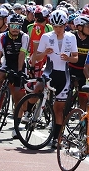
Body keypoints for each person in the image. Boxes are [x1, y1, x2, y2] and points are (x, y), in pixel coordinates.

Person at [31, 9, 78, 149]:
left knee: (58, 109)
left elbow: (75, 58)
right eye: (55, 27)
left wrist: (68, 58)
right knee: (37, 87)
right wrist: (45, 52)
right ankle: (28, 111)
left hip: (64, 75)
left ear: (65, 25)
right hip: (49, 71)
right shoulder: (46, 36)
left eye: (60, 27)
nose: (58, 29)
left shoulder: (71, 37)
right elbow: (36, 58)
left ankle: (57, 138)